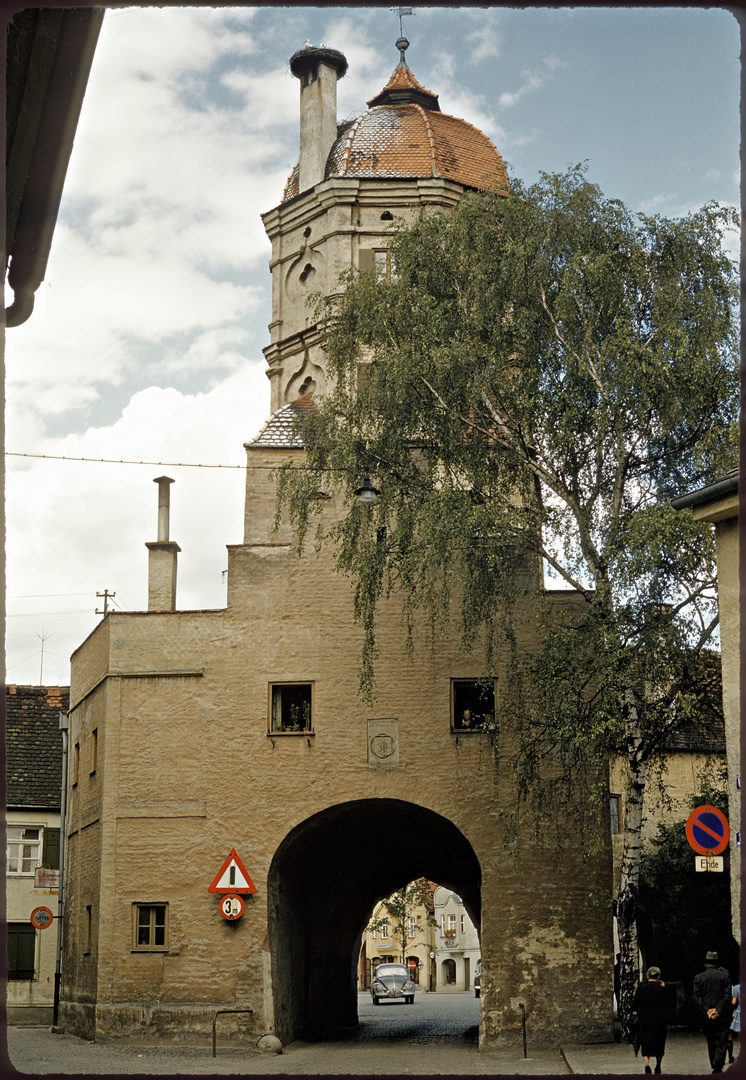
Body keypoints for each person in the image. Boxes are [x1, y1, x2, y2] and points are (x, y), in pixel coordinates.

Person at [693, 951, 732, 1073]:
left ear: (705, 964)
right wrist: (718, 1010)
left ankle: (714, 1062)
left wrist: (707, 1011)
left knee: (710, 1040)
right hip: (722, 1014)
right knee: (721, 1039)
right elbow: (727, 996)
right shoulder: (725, 976)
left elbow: (696, 998)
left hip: (707, 1016)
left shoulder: (699, 978)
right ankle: (718, 1063)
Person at [632, 966, 671, 1074]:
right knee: (659, 1043)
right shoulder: (663, 990)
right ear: (658, 977)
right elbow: (669, 1004)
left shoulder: (641, 988)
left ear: (647, 976)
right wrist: (664, 988)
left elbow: (634, 1005)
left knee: (646, 1043)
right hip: (660, 1021)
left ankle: (647, 1064)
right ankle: (658, 1065)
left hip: (645, 1020)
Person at [728, 982, 740, 1064]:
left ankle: (730, 1056)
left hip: (740, 1012)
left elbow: (733, 1002)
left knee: (729, 1033)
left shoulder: (737, 988)